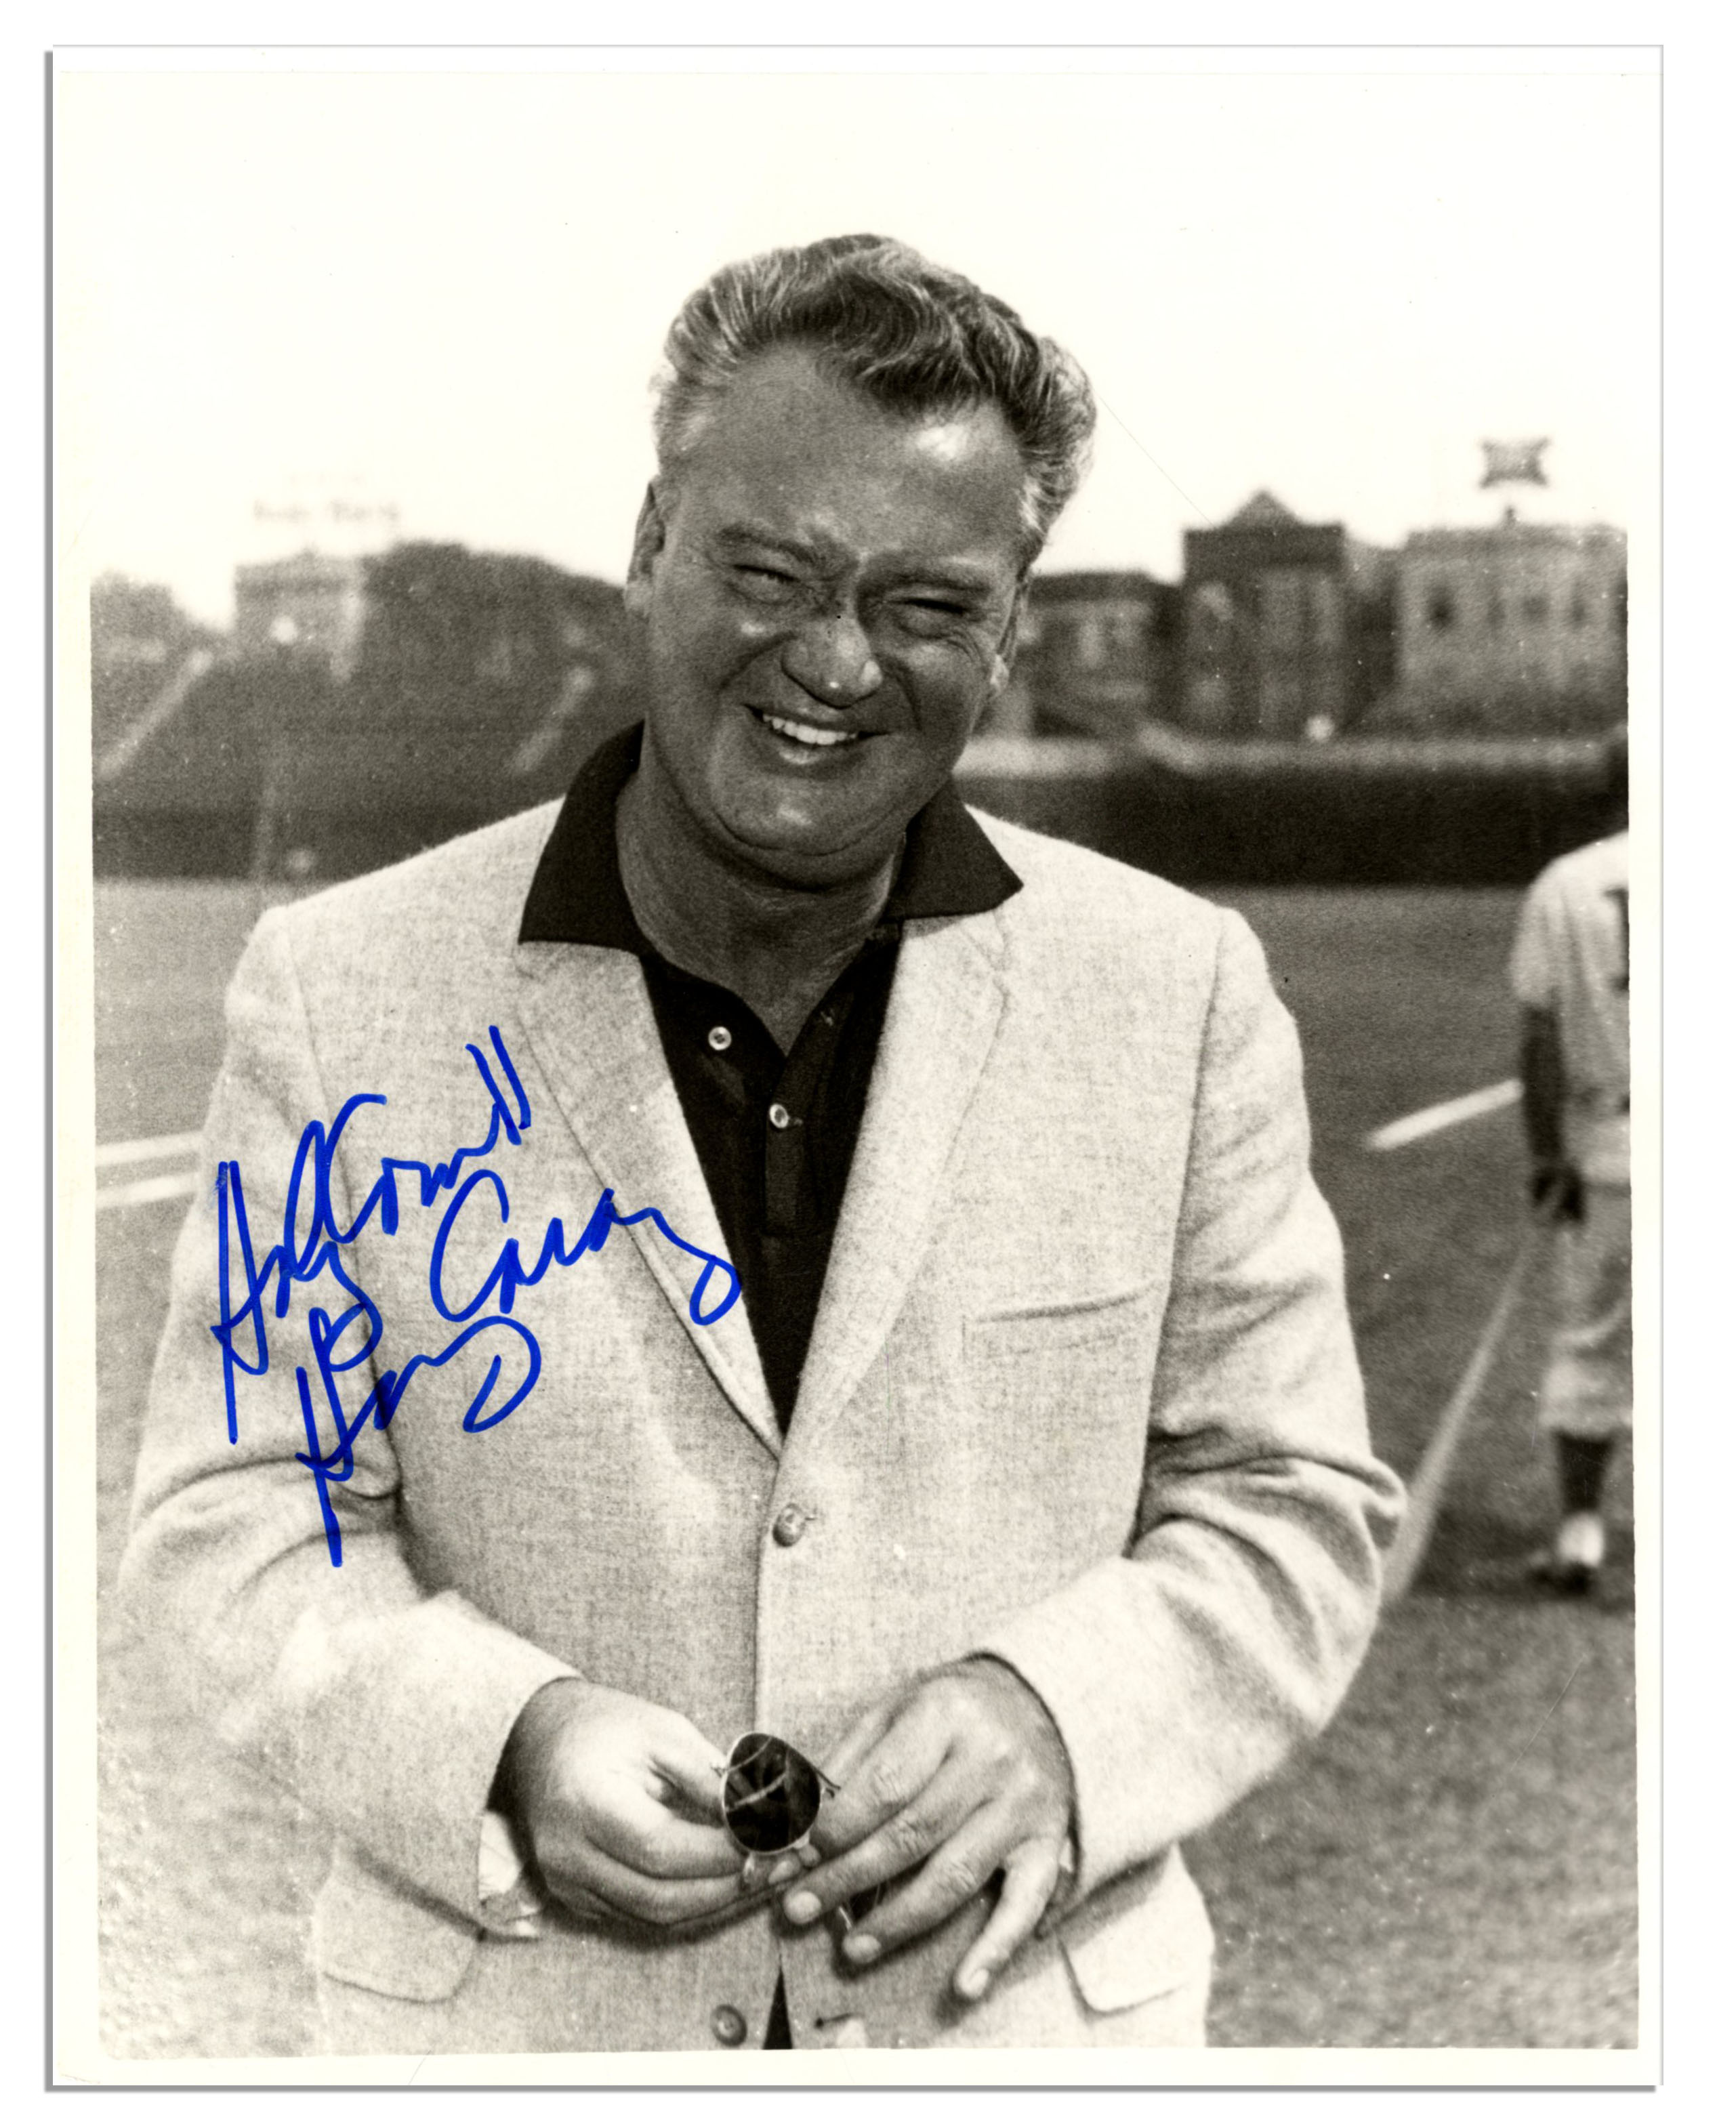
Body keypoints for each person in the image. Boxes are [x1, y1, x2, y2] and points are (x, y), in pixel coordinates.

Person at [122, 234, 1402, 2054]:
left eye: (927, 602)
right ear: (653, 543)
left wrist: (1059, 1715)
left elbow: (1291, 1503)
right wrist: (507, 1736)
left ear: (1010, 628)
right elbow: (237, 1517)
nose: (835, 660)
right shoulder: (341, 993)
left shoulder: (1175, 992)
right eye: (770, 572)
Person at [1511, 732, 1632, 1595]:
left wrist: (1547, 1155)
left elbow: (1540, 1039)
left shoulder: (1565, 883)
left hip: (1608, 1148)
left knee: (1591, 1343)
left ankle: (1582, 1533)